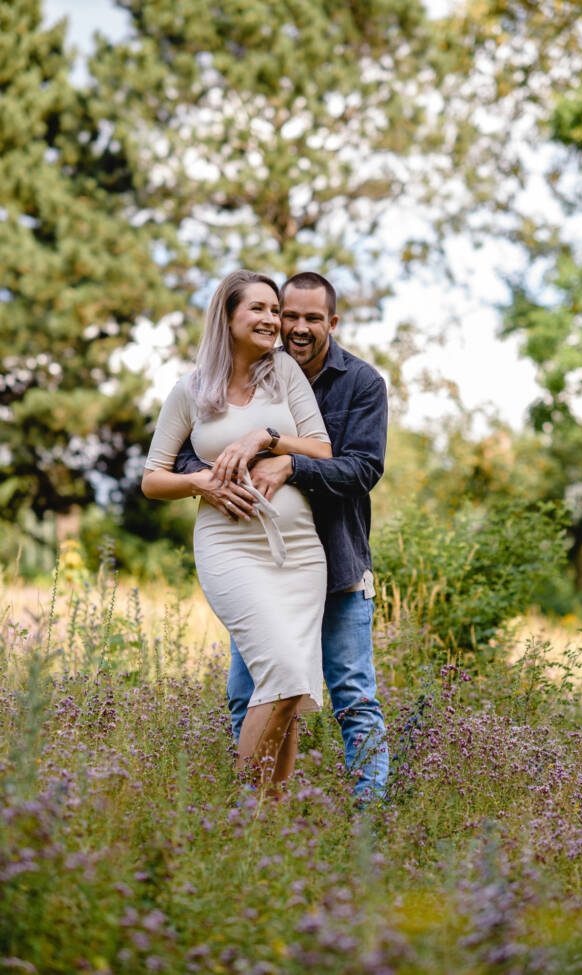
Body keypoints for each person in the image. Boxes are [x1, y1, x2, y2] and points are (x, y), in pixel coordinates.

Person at [175, 271, 390, 801]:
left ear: (331, 323)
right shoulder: (246, 373)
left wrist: (288, 461)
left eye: (310, 318)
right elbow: (190, 452)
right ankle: (260, 820)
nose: (294, 326)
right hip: (255, 564)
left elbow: (362, 468)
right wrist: (217, 479)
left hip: (333, 561)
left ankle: (369, 823)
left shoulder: (362, 384)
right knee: (248, 693)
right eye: (286, 314)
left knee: (353, 698)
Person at [141, 270, 332, 790]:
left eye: (276, 309)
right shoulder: (191, 390)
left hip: (298, 553)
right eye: (260, 309)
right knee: (284, 672)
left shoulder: (286, 374)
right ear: (227, 317)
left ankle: (273, 820)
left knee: (290, 687)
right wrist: (203, 482)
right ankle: (246, 818)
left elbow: (321, 448)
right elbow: (153, 479)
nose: (274, 319)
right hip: (231, 548)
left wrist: (266, 439)